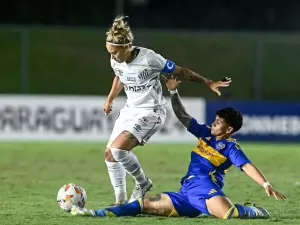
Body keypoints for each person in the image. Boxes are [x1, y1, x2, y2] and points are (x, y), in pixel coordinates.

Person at [71, 77, 286, 219]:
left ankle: (254, 211)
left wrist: (265, 183)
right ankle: (97, 213)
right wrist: (173, 93)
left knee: (228, 214)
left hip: (206, 189)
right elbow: (183, 117)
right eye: (215, 119)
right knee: (143, 205)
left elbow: (247, 166)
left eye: (218, 122)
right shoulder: (204, 132)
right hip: (186, 193)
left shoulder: (230, 147)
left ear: (229, 130)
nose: (213, 123)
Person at [103, 15, 231, 205]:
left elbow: (181, 71)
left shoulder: (150, 59)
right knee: (109, 154)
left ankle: (143, 183)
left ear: (127, 47)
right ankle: (119, 201)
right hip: (130, 110)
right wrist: (110, 99)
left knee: (118, 149)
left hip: (151, 111)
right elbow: (119, 76)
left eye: (114, 52)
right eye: (109, 53)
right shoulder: (117, 61)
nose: (112, 57)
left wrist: (208, 83)